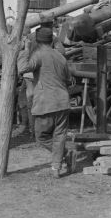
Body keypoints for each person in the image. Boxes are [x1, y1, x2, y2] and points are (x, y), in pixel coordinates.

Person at [17, 26, 72, 178]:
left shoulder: (39, 55)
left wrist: (25, 49)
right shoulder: (61, 56)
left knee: (41, 137)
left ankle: (64, 154)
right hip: (62, 101)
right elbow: (68, 79)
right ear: (51, 40)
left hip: (45, 103)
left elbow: (22, 68)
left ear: (37, 41)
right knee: (60, 135)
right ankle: (56, 167)